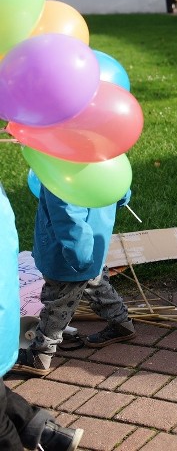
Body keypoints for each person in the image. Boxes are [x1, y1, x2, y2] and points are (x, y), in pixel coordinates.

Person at [12, 187, 136, 378]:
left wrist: (80, 258)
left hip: (67, 257)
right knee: (96, 284)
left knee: (58, 303)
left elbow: (68, 218)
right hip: (93, 246)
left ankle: (39, 355)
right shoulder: (102, 162)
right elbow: (120, 192)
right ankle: (121, 322)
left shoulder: (60, 172)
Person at [0, 182, 84, 450]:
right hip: (79, 259)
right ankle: (42, 429)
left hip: (68, 261)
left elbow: (67, 216)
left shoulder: (61, 179)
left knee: (56, 310)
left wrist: (77, 255)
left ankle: (42, 354)